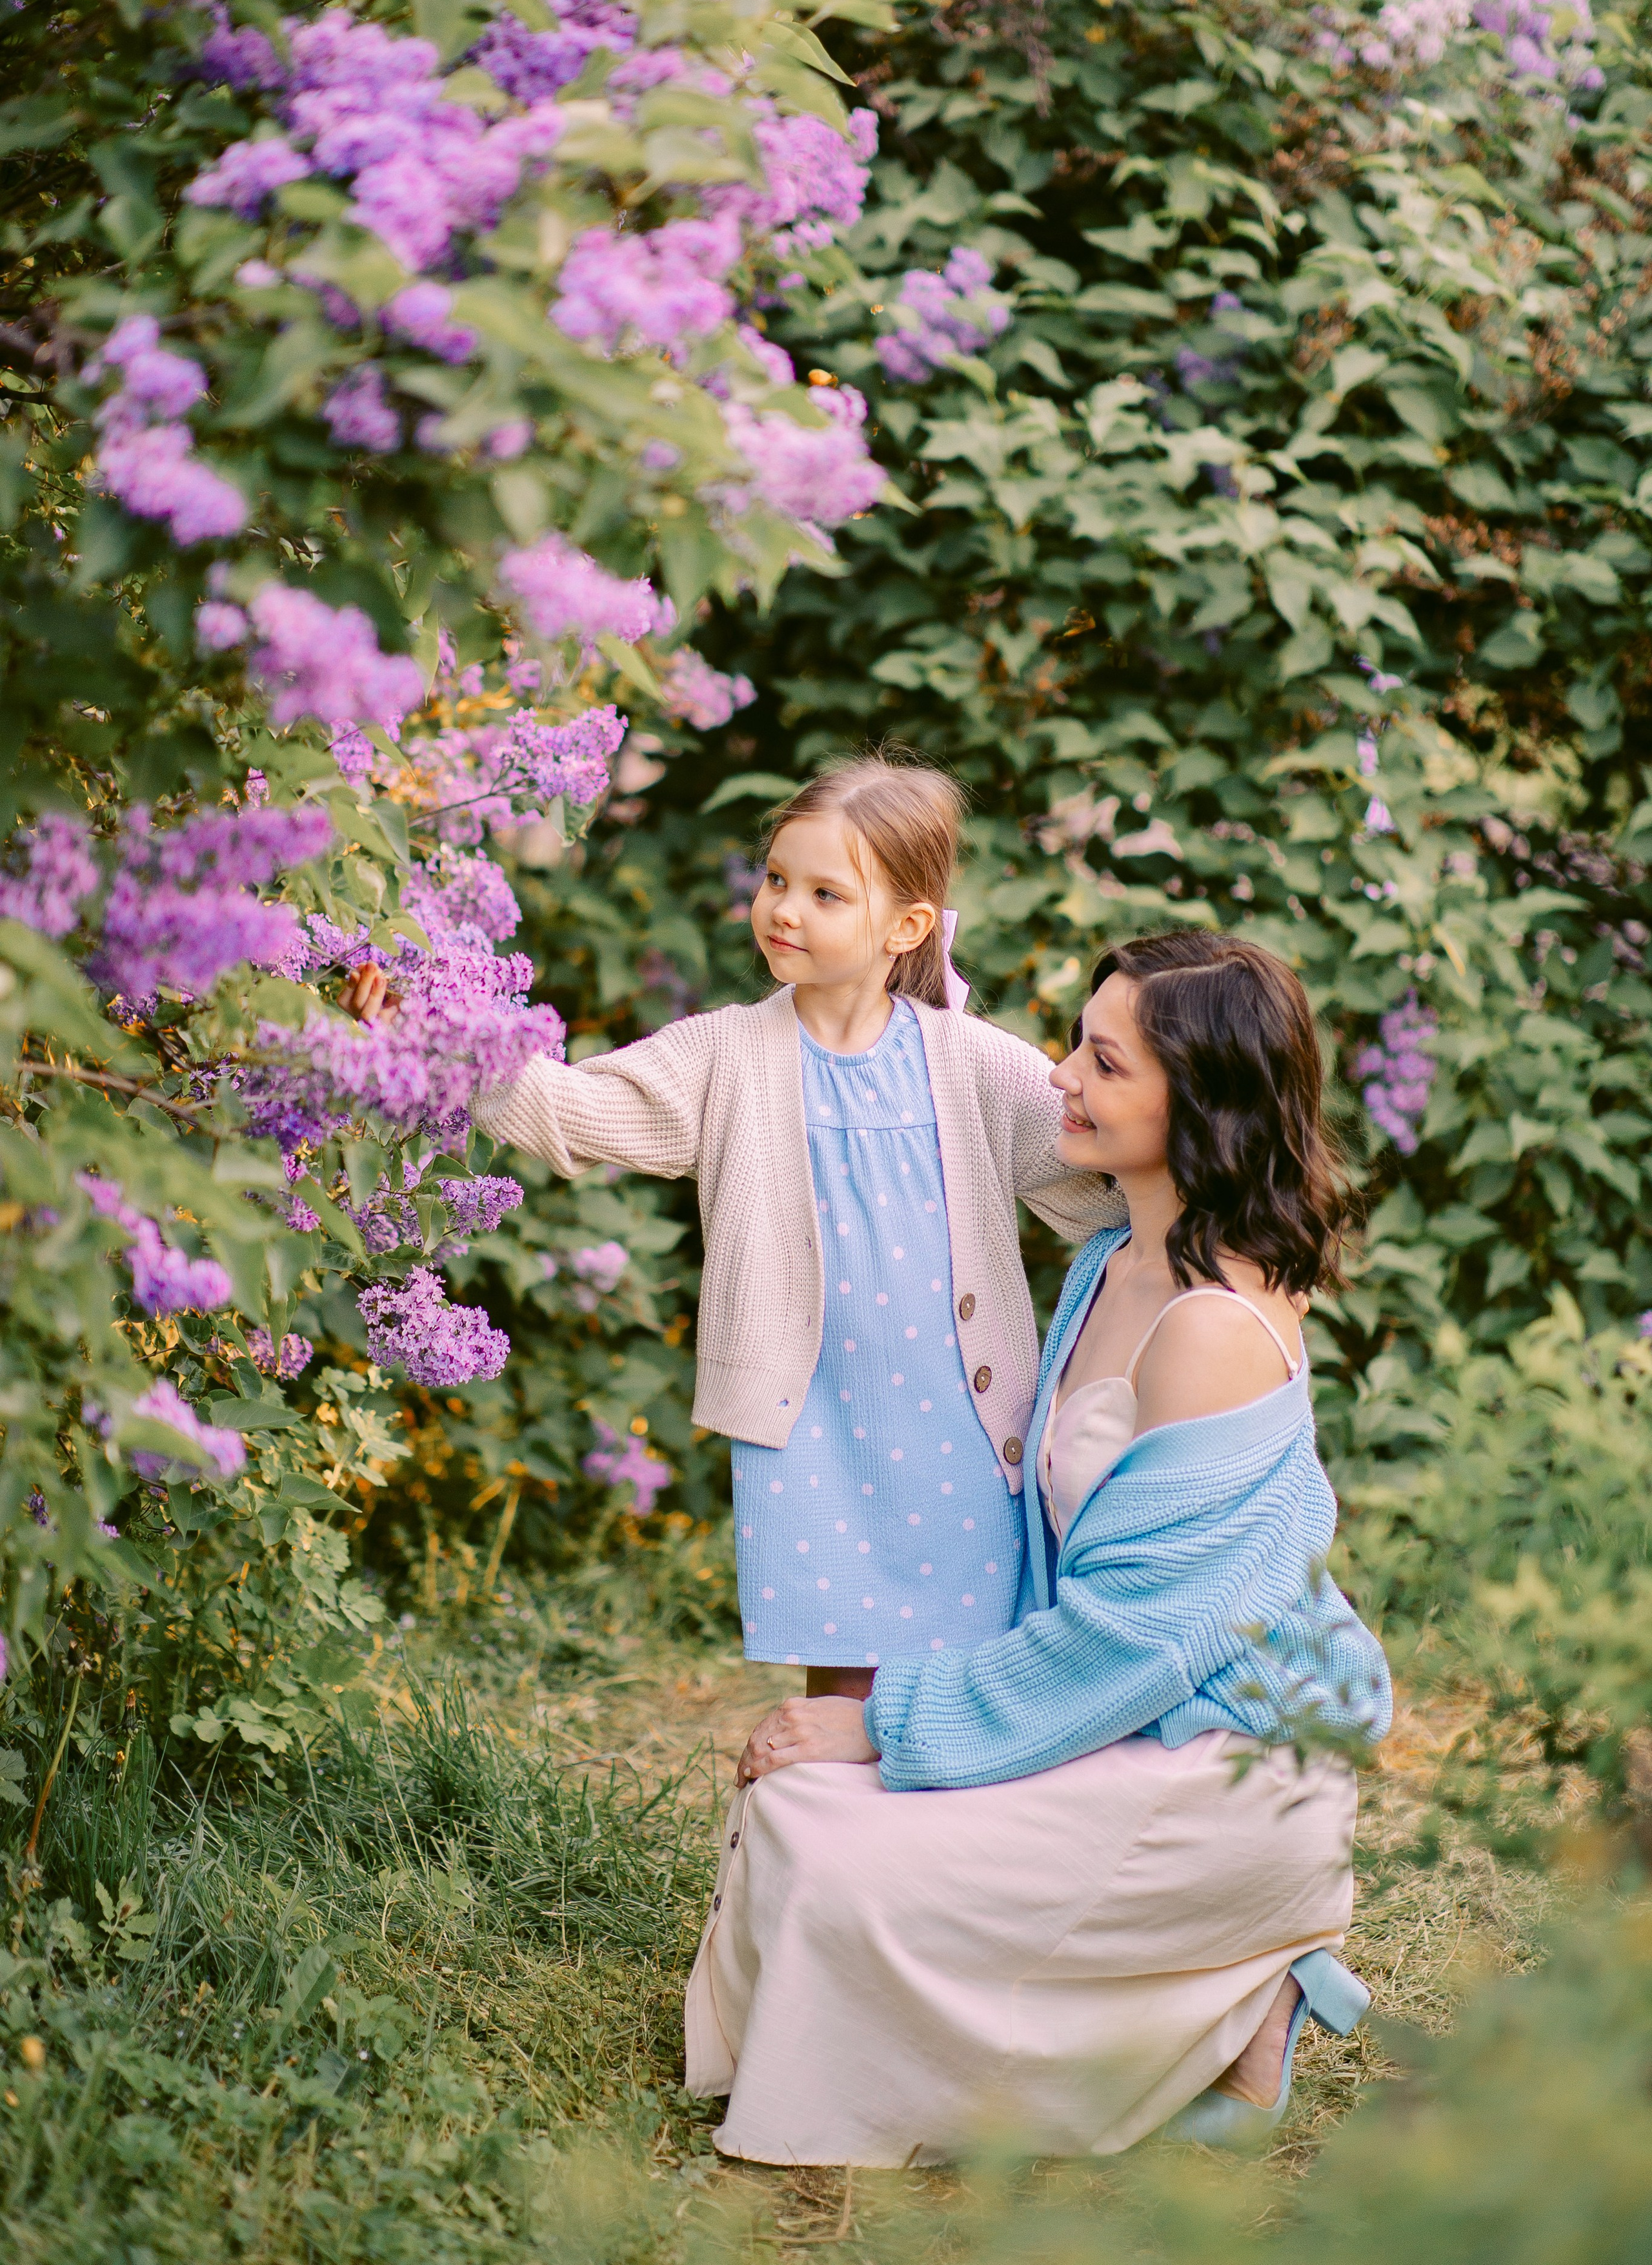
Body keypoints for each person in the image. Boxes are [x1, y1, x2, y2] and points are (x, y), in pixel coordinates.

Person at [686, 929, 1392, 2166]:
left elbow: (1139, 1638)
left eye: (1105, 1064)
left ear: (1204, 1107)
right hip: (1131, 1710)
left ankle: (1252, 1975)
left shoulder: (1214, 1328)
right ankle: (1213, 1992)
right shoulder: (1117, 1252)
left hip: (1224, 1759)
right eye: (1077, 1040)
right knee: (800, 1810)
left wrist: (892, 1719)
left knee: (850, 1867)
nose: (1060, 1074)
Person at [345, 750, 1126, 1691]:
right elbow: (575, 1111)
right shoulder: (724, 1054)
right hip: (809, 1422)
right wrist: (425, 1037)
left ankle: (948, 1832)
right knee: (843, 1689)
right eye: (775, 880)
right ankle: (828, 1840)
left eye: (826, 894)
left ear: (906, 926)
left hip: (963, 1418)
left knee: (970, 1668)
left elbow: (1098, 1170)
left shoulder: (974, 1063)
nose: (785, 909)